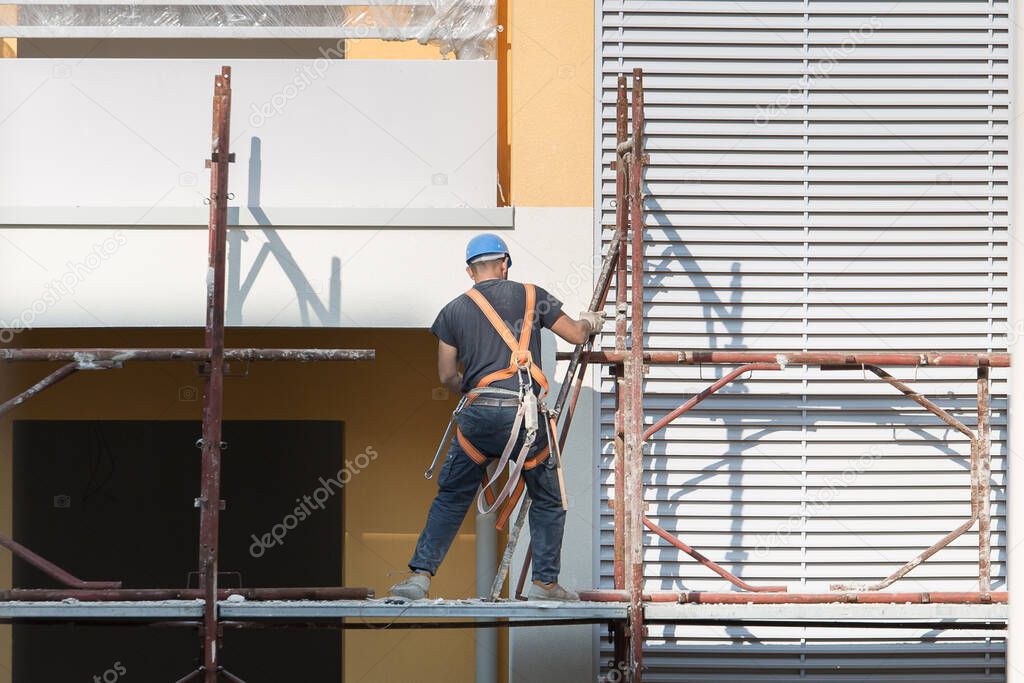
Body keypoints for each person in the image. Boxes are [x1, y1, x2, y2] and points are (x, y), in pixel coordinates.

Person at [389, 233, 605, 601]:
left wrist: (473, 390)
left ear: (469, 271)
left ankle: (419, 579)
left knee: (452, 497)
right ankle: (545, 584)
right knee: (548, 497)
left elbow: (446, 375)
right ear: (504, 263)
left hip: (477, 417)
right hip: (525, 419)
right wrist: (589, 323)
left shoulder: (454, 309)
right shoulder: (533, 296)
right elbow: (575, 335)